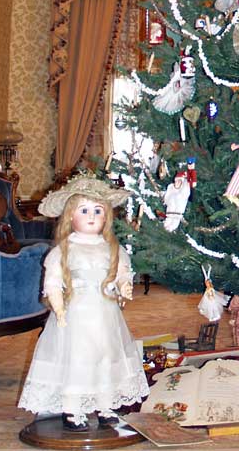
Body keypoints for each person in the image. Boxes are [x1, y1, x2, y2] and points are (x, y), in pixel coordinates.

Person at [18, 175, 150, 431]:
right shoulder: (64, 250)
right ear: (70, 216)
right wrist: (58, 308)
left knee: (105, 355)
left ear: (107, 217)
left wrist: (124, 285)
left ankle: (105, 404)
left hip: (105, 313)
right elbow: (53, 282)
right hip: (76, 314)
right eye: (85, 210)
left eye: (98, 211)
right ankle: (72, 408)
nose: (92, 216)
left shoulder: (112, 248)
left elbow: (122, 272)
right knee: (76, 358)